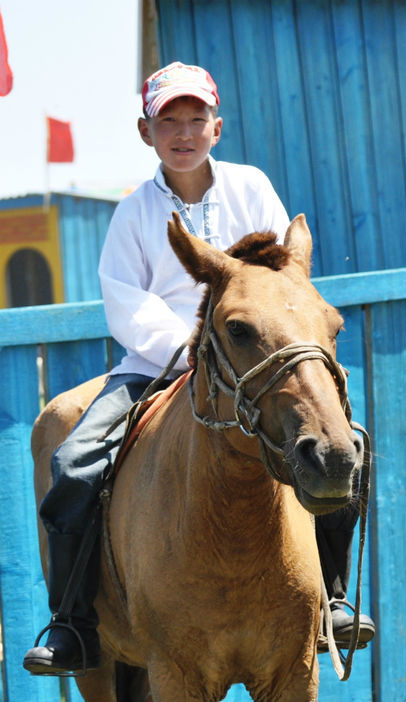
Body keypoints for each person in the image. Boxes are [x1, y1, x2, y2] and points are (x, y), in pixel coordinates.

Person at [23, 61, 372, 676]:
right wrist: (188, 352)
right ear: (145, 131)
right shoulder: (132, 213)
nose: (183, 132)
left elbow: (284, 276)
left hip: (256, 365)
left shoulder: (252, 187)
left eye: (195, 119)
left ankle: (333, 600)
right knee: (74, 462)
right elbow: (124, 301)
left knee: (342, 441)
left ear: (217, 126)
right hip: (159, 365)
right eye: (168, 121)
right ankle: (74, 622)